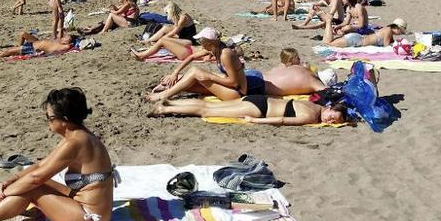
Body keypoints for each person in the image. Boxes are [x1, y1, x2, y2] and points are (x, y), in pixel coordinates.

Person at [0, 88, 115, 221]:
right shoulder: (78, 136)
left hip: (91, 220)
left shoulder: (75, 143)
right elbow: (40, 165)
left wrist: (6, 193)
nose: (47, 122)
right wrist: (12, 180)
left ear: (64, 120)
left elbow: (36, 179)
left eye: (49, 118)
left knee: (32, 187)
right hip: (81, 204)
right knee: (26, 181)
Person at [146, 27, 260, 102]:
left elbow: (234, 82)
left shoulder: (226, 55)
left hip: (237, 94)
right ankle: (167, 88)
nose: (201, 45)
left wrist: (209, 77)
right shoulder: (216, 49)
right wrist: (175, 73)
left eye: (202, 43)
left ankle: (164, 95)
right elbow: (191, 57)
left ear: (210, 43)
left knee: (196, 72)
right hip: (228, 88)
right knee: (184, 79)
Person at [148, 95, 348, 125]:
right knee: (207, 110)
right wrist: (256, 121)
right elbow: (282, 120)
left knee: (210, 105)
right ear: (330, 108)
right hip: (258, 109)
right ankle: (163, 109)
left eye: (334, 121)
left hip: (258, 99)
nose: (330, 121)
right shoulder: (311, 116)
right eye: (333, 116)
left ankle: (169, 104)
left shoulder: (314, 104)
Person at [260, 49, 327, 96]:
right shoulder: (311, 79)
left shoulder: (284, 67)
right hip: (261, 85)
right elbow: (327, 91)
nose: (300, 59)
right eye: (297, 58)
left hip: (260, 78)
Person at [325, 18, 407, 47]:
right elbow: (387, 46)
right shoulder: (388, 30)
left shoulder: (388, 30)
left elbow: (391, 42)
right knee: (328, 43)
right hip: (356, 41)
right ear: (397, 28)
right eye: (401, 31)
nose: (400, 34)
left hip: (358, 40)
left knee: (329, 42)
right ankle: (328, 21)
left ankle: (329, 24)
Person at [0, 32, 79, 58]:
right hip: (36, 42)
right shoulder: (60, 41)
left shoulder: (65, 46)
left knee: (9, 51)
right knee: (23, 34)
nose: (65, 38)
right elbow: (61, 31)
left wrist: (71, 43)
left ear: (69, 42)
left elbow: (70, 47)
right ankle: (18, 50)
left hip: (33, 48)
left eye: (67, 38)